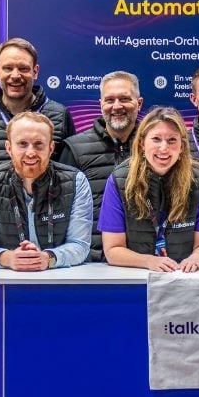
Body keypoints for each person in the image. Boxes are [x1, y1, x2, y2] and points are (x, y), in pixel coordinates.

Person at [0, 111, 93, 269]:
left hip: (58, 280)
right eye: (22, 144)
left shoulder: (76, 182)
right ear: (9, 148)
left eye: (39, 144)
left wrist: (48, 258)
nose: (31, 153)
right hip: (4, 282)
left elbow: (80, 245)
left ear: (51, 148)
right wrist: (8, 258)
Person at [99, 106, 199, 272]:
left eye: (172, 140)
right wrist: (148, 261)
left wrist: (196, 257)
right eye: (156, 139)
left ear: (182, 146)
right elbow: (112, 251)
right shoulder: (119, 180)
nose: (164, 148)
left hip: (184, 276)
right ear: (142, 143)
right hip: (137, 276)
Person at [59, 71, 144, 261]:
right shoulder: (75, 148)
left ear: (139, 104)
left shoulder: (157, 147)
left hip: (146, 259)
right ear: (101, 105)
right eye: (110, 100)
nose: (117, 106)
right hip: (91, 261)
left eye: (124, 99)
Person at [0, 37, 75, 170]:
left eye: (23, 68)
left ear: (35, 71)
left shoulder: (59, 115)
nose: (15, 75)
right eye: (8, 68)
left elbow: (69, 174)